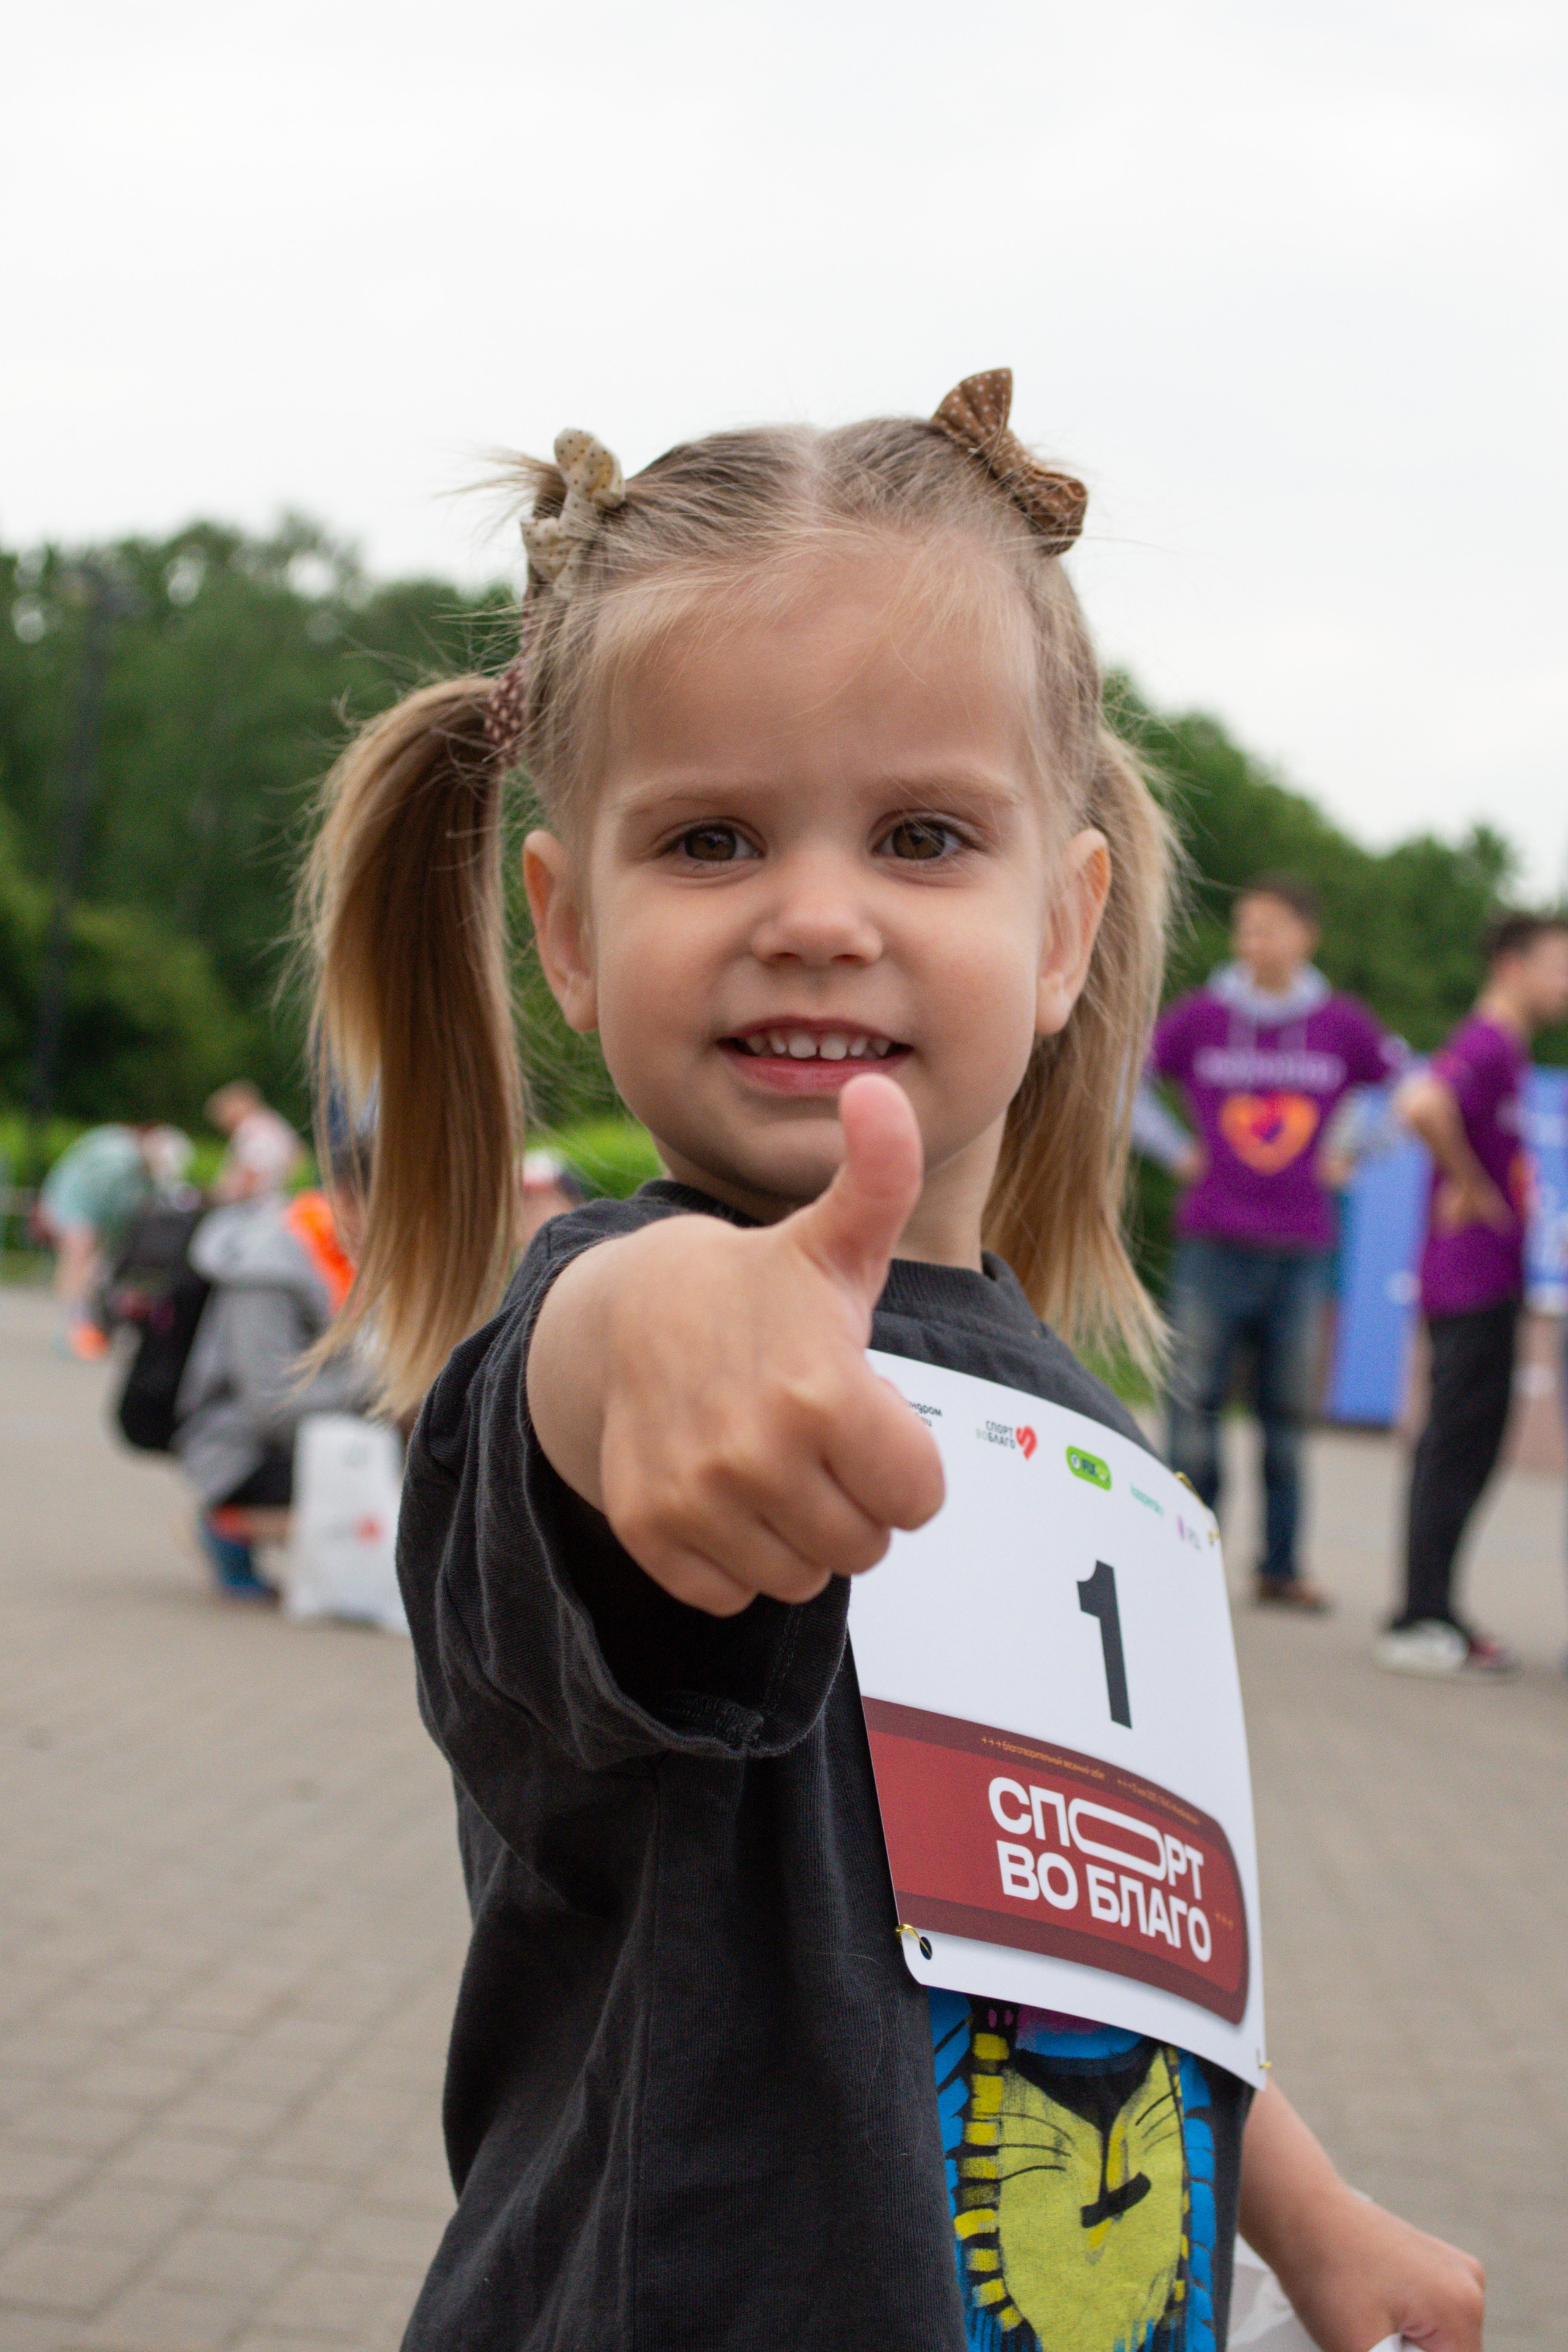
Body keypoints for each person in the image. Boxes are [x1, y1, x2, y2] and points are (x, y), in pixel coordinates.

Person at [304, 375, 1482, 2351]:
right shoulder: (604, 1337)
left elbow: (1104, 1920)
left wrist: (1310, 2208)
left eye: (923, 835)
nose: (817, 916)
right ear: (568, 929)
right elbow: (600, 1374)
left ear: (1066, 923)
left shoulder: (1095, 1445)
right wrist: (655, 1330)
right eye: (710, 838)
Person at [1134, 876, 1404, 1608]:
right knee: (1192, 1407)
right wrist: (1173, 1150)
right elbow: (1127, 1078)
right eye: (1245, 927)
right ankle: (1183, 1566)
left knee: (1286, 1418)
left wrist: (1357, 1150)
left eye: (1269, 928)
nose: (1253, 942)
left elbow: (1410, 1089)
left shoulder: (1341, 1023)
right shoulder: (1204, 1016)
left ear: (1304, 936)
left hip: (1300, 1245)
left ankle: (1280, 1567)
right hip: (1213, 1240)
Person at [1379, 910, 1568, 1678]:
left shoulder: (1508, 1050)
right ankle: (1420, 1617)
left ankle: (1437, 1610)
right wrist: (1469, 1182)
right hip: (1469, 1278)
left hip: (1488, 1277)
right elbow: (1419, 1104)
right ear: (1512, 966)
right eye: (1558, 966)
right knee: (1455, 1447)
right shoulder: (1486, 1041)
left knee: (1466, 1447)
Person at [173, 1161, 370, 1599]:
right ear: (347, 1197)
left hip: (285, 1434)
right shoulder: (267, 1271)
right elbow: (269, 1403)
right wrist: (378, 1386)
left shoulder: (333, 1256)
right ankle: (230, 1522)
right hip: (238, 1448)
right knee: (402, 1478)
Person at [34, 1121, 192, 1357]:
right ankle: (73, 1327)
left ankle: (88, 1324)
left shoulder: (137, 1164)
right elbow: (96, 1200)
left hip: (96, 1217)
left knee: (95, 1271)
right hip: (78, 1212)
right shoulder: (117, 1158)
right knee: (77, 1268)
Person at [205, 1080, 304, 1204]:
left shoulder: (252, 1130)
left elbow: (251, 1174)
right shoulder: (272, 1122)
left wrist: (219, 1197)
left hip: (253, 1205)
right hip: (277, 1199)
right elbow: (299, 1156)